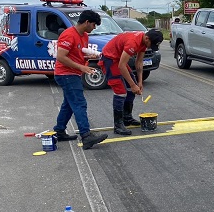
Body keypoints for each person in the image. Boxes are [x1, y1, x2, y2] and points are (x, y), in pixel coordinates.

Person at [53, 10, 108, 149]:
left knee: (69, 104)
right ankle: (86, 136)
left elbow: (77, 55)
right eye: (94, 25)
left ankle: (59, 130)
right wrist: (81, 68)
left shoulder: (84, 36)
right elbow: (61, 56)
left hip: (73, 73)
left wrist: (89, 59)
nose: (94, 28)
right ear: (87, 22)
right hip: (66, 74)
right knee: (79, 103)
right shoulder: (68, 35)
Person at [100, 30, 164, 135]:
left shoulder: (144, 41)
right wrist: (133, 85)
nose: (149, 47)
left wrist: (139, 82)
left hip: (119, 60)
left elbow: (139, 63)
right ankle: (118, 125)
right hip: (110, 59)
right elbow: (121, 66)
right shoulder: (133, 42)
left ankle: (127, 118)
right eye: (150, 44)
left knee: (132, 90)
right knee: (120, 92)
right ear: (147, 38)